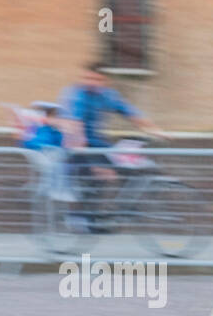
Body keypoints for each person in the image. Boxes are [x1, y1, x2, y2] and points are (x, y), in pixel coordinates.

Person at [57, 63, 160, 231]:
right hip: (76, 145)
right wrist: (83, 151)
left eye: (96, 79)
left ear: (104, 81)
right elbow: (75, 124)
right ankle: (80, 218)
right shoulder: (76, 95)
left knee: (129, 167)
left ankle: (115, 211)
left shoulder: (107, 95)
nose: (91, 82)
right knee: (102, 175)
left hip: (98, 145)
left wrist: (155, 130)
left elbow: (130, 112)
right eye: (87, 78)